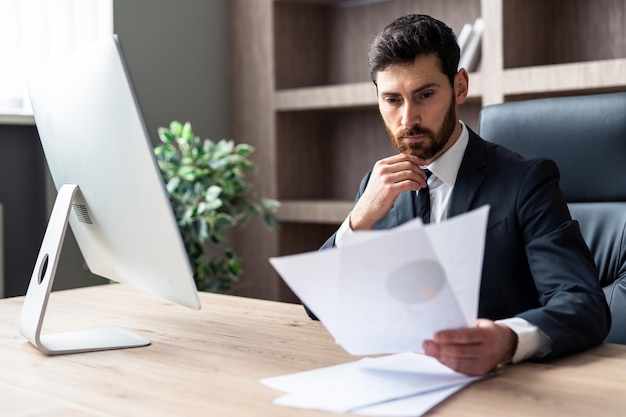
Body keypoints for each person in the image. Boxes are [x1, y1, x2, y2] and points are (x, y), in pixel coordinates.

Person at [312, 14, 611, 376]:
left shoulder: (526, 181)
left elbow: (584, 304)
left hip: (503, 384)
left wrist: (507, 338)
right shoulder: (377, 188)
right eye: (393, 99)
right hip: (405, 380)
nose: (408, 119)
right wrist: (358, 221)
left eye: (425, 95)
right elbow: (319, 305)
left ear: (460, 87)